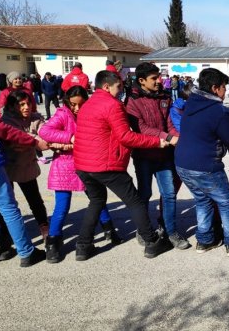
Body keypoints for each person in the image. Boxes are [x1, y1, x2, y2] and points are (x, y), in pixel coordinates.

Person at [73, 70, 174, 260]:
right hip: (105, 165)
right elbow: (125, 137)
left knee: (96, 201)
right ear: (106, 86)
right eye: (118, 87)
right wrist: (156, 142)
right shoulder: (113, 105)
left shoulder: (88, 104)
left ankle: (83, 246)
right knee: (135, 201)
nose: (121, 90)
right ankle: (151, 241)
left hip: (83, 165)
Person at [175, 68, 229, 256]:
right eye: (223, 88)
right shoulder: (218, 111)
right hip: (205, 165)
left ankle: (205, 240)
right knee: (227, 201)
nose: (225, 92)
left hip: (182, 164)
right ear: (214, 88)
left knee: (203, 200)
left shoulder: (191, 104)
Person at [38, 86, 123, 263]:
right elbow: (44, 131)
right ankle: (52, 243)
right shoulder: (63, 114)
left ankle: (109, 231)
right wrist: (70, 138)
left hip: (86, 163)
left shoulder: (92, 112)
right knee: (62, 206)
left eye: (80, 104)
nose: (76, 108)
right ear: (67, 102)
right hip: (65, 166)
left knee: (97, 199)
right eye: (73, 104)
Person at [125, 63, 189, 250]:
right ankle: (144, 231)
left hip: (164, 155)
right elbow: (141, 128)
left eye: (159, 77)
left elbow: (168, 122)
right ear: (142, 81)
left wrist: (177, 137)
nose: (159, 81)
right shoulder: (132, 100)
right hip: (144, 155)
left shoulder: (164, 97)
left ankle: (171, 231)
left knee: (169, 194)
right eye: (154, 78)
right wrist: (168, 137)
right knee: (145, 194)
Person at [0, 91, 49, 249]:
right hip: (7, 167)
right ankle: (6, 238)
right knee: (6, 205)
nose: (26, 107)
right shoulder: (7, 121)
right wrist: (32, 139)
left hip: (27, 167)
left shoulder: (35, 118)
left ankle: (45, 230)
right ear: (13, 106)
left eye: (28, 103)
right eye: (22, 105)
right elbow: (12, 138)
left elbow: (46, 133)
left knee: (34, 199)